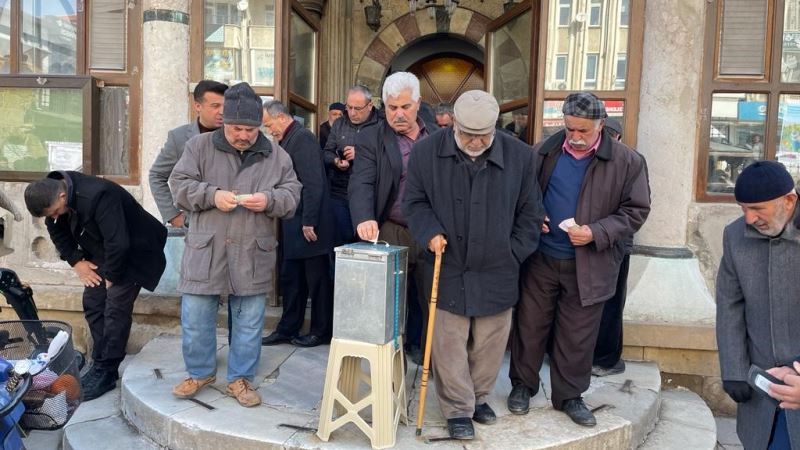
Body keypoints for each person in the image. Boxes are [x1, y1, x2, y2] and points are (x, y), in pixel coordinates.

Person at [404, 90, 544, 440]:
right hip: (447, 261)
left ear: (495, 128)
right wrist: (429, 232)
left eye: (483, 136)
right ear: (454, 126)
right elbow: (415, 202)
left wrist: (513, 252)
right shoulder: (426, 152)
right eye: (468, 135)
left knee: (490, 341)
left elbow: (531, 212)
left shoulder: (520, 156)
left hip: (498, 264)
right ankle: (457, 408)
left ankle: (479, 397)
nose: (475, 142)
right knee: (448, 340)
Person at [508, 92, 651, 426]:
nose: (575, 136)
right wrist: (535, 216)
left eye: (583, 131)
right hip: (541, 257)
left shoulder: (627, 161)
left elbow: (636, 211)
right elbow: (523, 193)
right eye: (570, 129)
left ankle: (570, 396)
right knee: (530, 325)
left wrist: (596, 232)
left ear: (601, 126)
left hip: (590, 262)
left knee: (578, 333)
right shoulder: (543, 151)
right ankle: (522, 386)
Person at [169, 82, 301, 407]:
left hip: (252, 252)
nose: (243, 135)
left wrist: (268, 200)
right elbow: (178, 185)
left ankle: (240, 379)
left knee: (249, 321)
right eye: (237, 128)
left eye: (251, 129)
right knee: (196, 318)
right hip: (206, 249)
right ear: (223, 122)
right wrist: (212, 196)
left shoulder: (276, 154)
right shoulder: (198, 147)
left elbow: (293, 195)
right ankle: (200, 372)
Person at [24, 171, 168, 400]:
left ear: (62, 196)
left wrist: (112, 275)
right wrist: (76, 262)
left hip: (135, 251)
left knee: (115, 308)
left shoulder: (100, 195)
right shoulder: (53, 202)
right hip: (104, 250)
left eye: (55, 212)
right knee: (93, 302)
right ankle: (101, 363)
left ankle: (107, 370)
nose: (54, 217)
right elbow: (58, 232)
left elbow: (118, 241)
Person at [349, 71, 437, 363]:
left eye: (405, 107)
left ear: (418, 103)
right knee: (389, 301)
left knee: (429, 298)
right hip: (390, 227)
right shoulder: (372, 138)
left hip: (430, 230)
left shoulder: (439, 137)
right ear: (383, 105)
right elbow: (361, 181)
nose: (398, 114)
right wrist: (363, 216)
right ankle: (388, 358)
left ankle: (426, 356)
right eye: (391, 107)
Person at [716, 160, 800, 449]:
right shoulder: (735, 236)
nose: (749, 219)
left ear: (789, 201)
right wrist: (734, 369)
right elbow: (729, 306)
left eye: (758, 209)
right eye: (743, 208)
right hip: (760, 392)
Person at [261, 101, 335, 347]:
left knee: (317, 281)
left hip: (309, 224)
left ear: (281, 117)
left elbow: (313, 183)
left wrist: (309, 221)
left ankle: (321, 331)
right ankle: (287, 328)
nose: (270, 131)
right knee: (292, 279)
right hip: (294, 223)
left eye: (270, 125)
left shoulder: (302, 139)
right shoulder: (288, 139)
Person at [591, 116, 647, 377]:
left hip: (616, 244)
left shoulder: (632, 160)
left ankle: (607, 358)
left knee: (611, 304)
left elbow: (636, 208)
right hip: (590, 240)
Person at [149, 80, 228, 227]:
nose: (222, 111)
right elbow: (157, 175)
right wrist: (172, 215)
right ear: (198, 106)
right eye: (215, 106)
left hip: (229, 223)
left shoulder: (235, 137)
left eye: (225, 106)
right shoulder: (179, 137)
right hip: (195, 225)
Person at [322, 85, 380, 248]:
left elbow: (388, 158)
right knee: (341, 245)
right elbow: (326, 153)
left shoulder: (382, 124)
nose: (352, 113)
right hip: (340, 192)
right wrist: (336, 161)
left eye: (358, 108)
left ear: (370, 105)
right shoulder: (339, 124)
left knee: (367, 245)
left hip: (370, 195)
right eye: (349, 107)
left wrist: (360, 152)